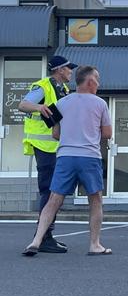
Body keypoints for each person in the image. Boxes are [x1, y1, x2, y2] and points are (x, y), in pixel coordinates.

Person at [22, 66, 113, 257]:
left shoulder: (61, 103)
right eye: (97, 79)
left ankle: (36, 240)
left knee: (54, 199)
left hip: (65, 157)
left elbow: (55, 134)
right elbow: (107, 133)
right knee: (95, 199)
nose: (99, 83)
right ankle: (94, 245)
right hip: (89, 157)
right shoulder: (100, 104)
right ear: (90, 82)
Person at [18, 55, 77, 253]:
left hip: (56, 147)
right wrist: (39, 107)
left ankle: (45, 236)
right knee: (49, 191)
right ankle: (43, 238)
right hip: (44, 147)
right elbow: (23, 105)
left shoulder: (64, 89)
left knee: (54, 191)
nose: (71, 72)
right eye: (69, 68)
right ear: (59, 70)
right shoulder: (43, 86)